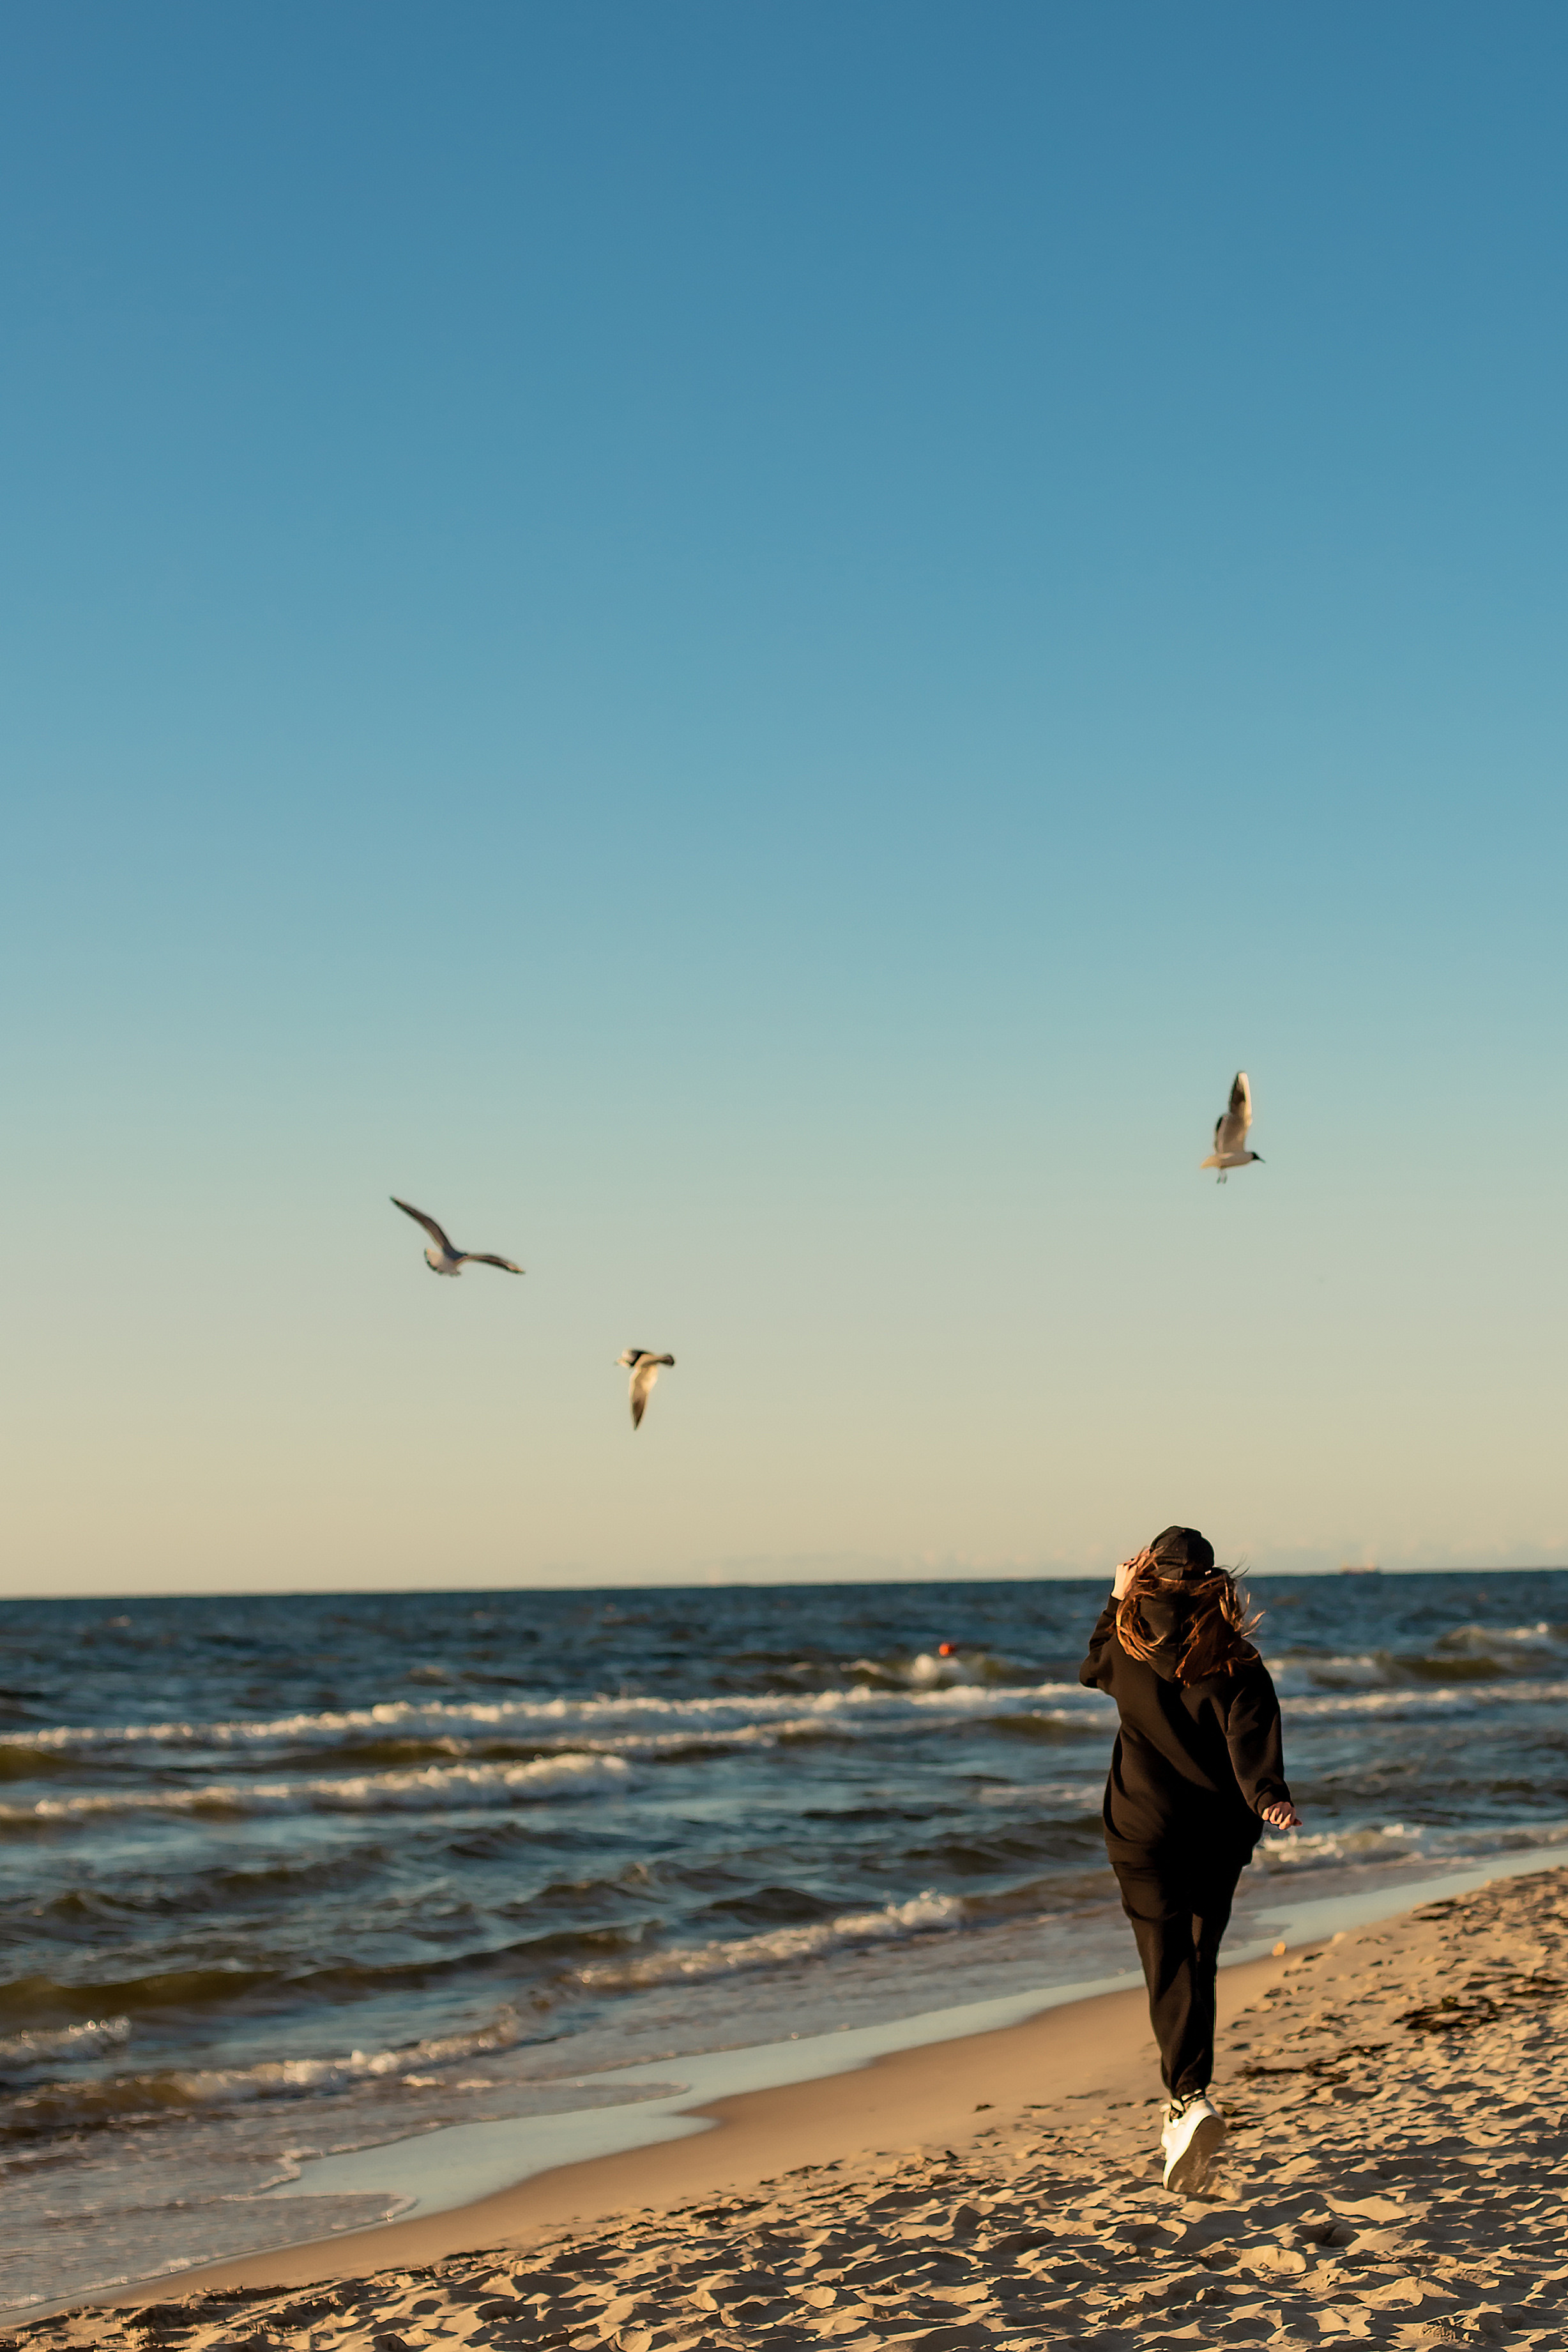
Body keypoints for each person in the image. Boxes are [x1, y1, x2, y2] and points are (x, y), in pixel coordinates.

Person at [1079, 1525, 1300, 2193]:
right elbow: (1250, 1741)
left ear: (1145, 1576)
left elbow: (1090, 1668)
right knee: (1198, 1958)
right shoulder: (1237, 1659)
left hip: (1141, 1830)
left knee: (1167, 1960)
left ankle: (1186, 2100)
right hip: (1217, 1834)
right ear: (1210, 1582)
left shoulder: (1124, 1642)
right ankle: (1187, 2099)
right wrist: (1268, 1796)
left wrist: (1115, 1598)